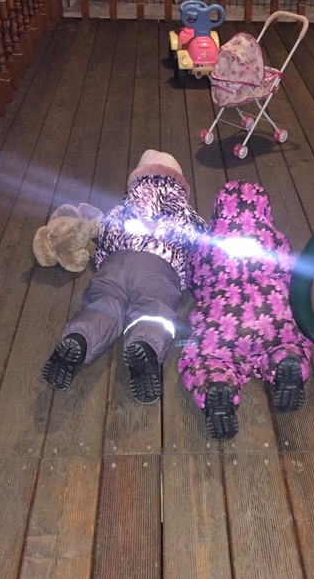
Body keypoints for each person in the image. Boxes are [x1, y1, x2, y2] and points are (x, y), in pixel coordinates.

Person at [43, 150, 207, 403]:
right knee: (154, 309)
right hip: (157, 266)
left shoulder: (121, 209)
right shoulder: (184, 212)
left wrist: (103, 261)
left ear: (136, 180)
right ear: (178, 184)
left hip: (116, 264)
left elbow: (105, 235)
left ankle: (81, 337)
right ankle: (144, 345)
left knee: (103, 305)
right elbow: (202, 246)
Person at [178, 180, 312, 439]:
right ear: (265, 211)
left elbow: (194, 280)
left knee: (205, 357)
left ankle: (216, 383)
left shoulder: (206, 244)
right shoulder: (277, 240)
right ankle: (286, 361)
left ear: (219, 210)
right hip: (272, 314)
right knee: (290, 341)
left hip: (224, 319)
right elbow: (291, 275)